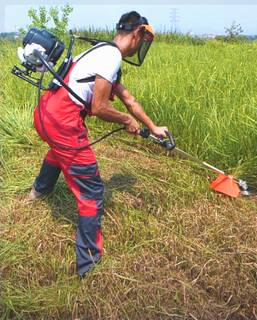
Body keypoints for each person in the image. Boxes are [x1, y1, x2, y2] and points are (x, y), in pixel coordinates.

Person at [28, 11, 168, 277]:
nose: (142, 46)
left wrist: (153, 128)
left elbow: (129, 99)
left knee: (58, 152)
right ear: (138, 34)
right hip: (62, 121)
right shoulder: (111, 56)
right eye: (144, 39)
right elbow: (100, 107)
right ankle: (88, 264)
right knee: (92, 191)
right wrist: (126, 121)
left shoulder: (100, 50)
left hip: (45, 112)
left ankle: (38, 192)